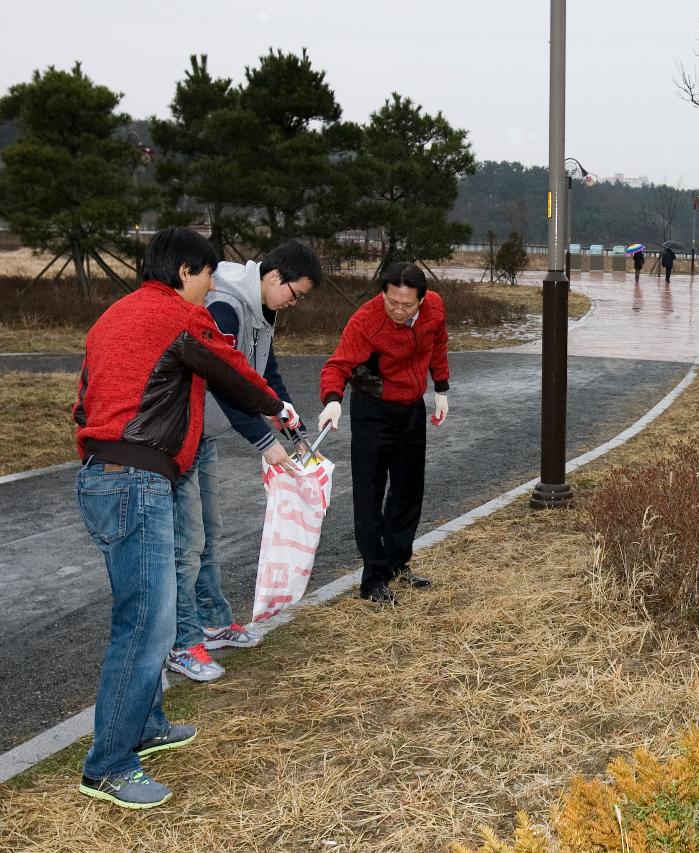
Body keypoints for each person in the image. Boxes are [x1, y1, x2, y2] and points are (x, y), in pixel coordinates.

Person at [74, 227, 292, 809]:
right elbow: (233, 371)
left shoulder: (111, 318)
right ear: (185, 272)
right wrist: (277, 407)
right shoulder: (179, 316)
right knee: (144, 626)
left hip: (103, 476)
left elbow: (82, 402)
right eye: (207, 275)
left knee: (154, 611)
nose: (211, 285)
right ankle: (109, 766)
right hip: (139, 480)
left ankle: (145, 726)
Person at [167, 242, 324, 682]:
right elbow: (221, 379)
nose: (295, 303)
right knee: (187, 544)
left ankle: (214, 623)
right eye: (296, 294)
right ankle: (181, 644)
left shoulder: (260, 312)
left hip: (206, 437)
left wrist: (292, 427)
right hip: (182, 435)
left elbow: (263, 374)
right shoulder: (226, 307)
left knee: (208, 535)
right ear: (275, 277)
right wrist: (262, 439)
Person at [318, 262, 450, 604]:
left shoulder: (434, 306)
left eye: (407, 304)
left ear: (422, 300)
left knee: (408, 492)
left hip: (411, 410)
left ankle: (396, 563)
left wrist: (442, 388)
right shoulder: (367, 320)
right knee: (370, 495)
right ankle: (373, 579)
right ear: (383, 294)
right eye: (392, 301)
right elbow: (338, 364)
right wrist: (333, 400)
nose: (398, 310)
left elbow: (438, 342)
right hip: (372, 412)